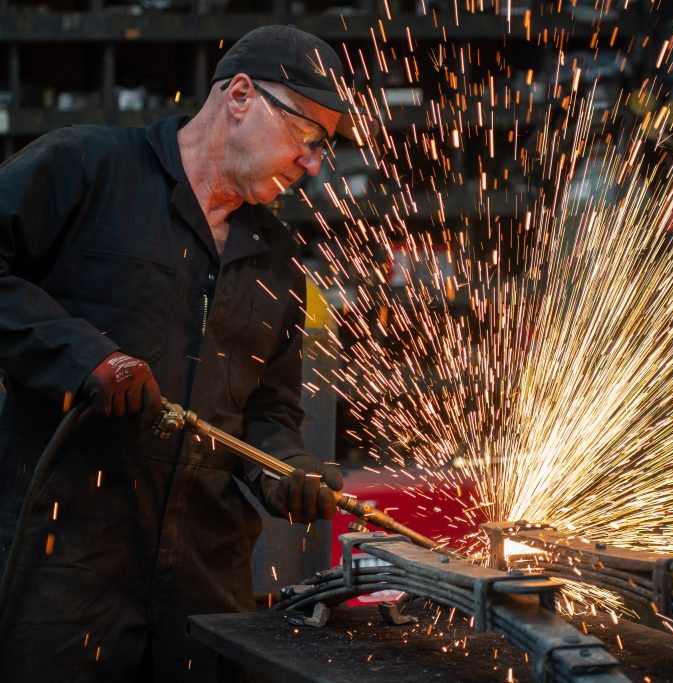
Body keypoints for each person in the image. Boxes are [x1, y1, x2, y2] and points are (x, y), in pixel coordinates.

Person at [0, 25, 375, 680]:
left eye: (325, 148)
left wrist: (285, 468)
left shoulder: (279, 261)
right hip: (67, 571)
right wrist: (83, 356)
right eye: (308, 137)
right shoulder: (88, 169)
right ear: (238, 97)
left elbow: (269, 414)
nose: (315, 164)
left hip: (202, 585)